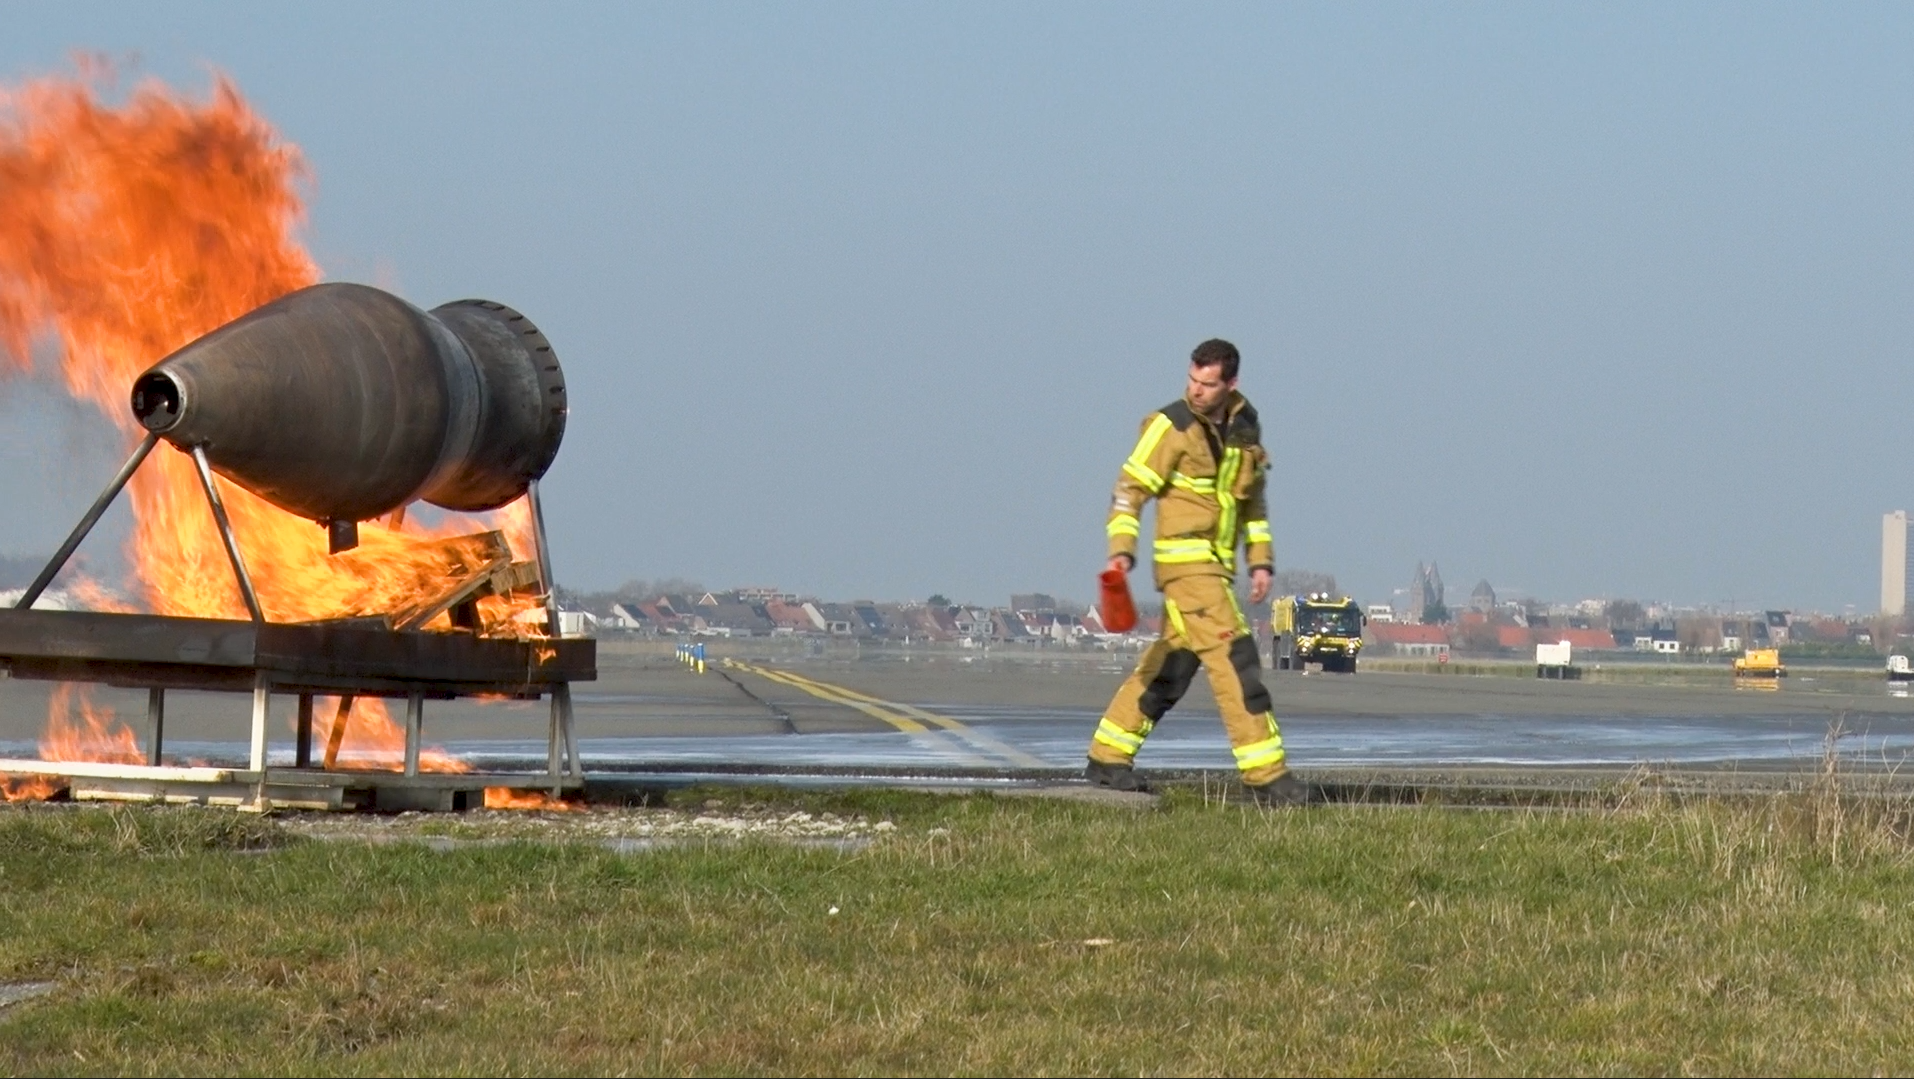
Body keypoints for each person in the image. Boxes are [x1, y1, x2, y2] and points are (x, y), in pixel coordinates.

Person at [1085, 338, 1307, 806]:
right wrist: (1120, 551)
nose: (1196, 391)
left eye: (1207, 384)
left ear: (1231, 383)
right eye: (1192, 380)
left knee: (1173, 664)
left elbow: (1253, 504)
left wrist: (1260, 561)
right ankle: (1266, 776)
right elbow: (1129, 489)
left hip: (1218, 568)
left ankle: (1108, 755)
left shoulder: (1244, 427)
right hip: (1187, 567)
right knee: (1235, 659)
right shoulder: (1171, 425)